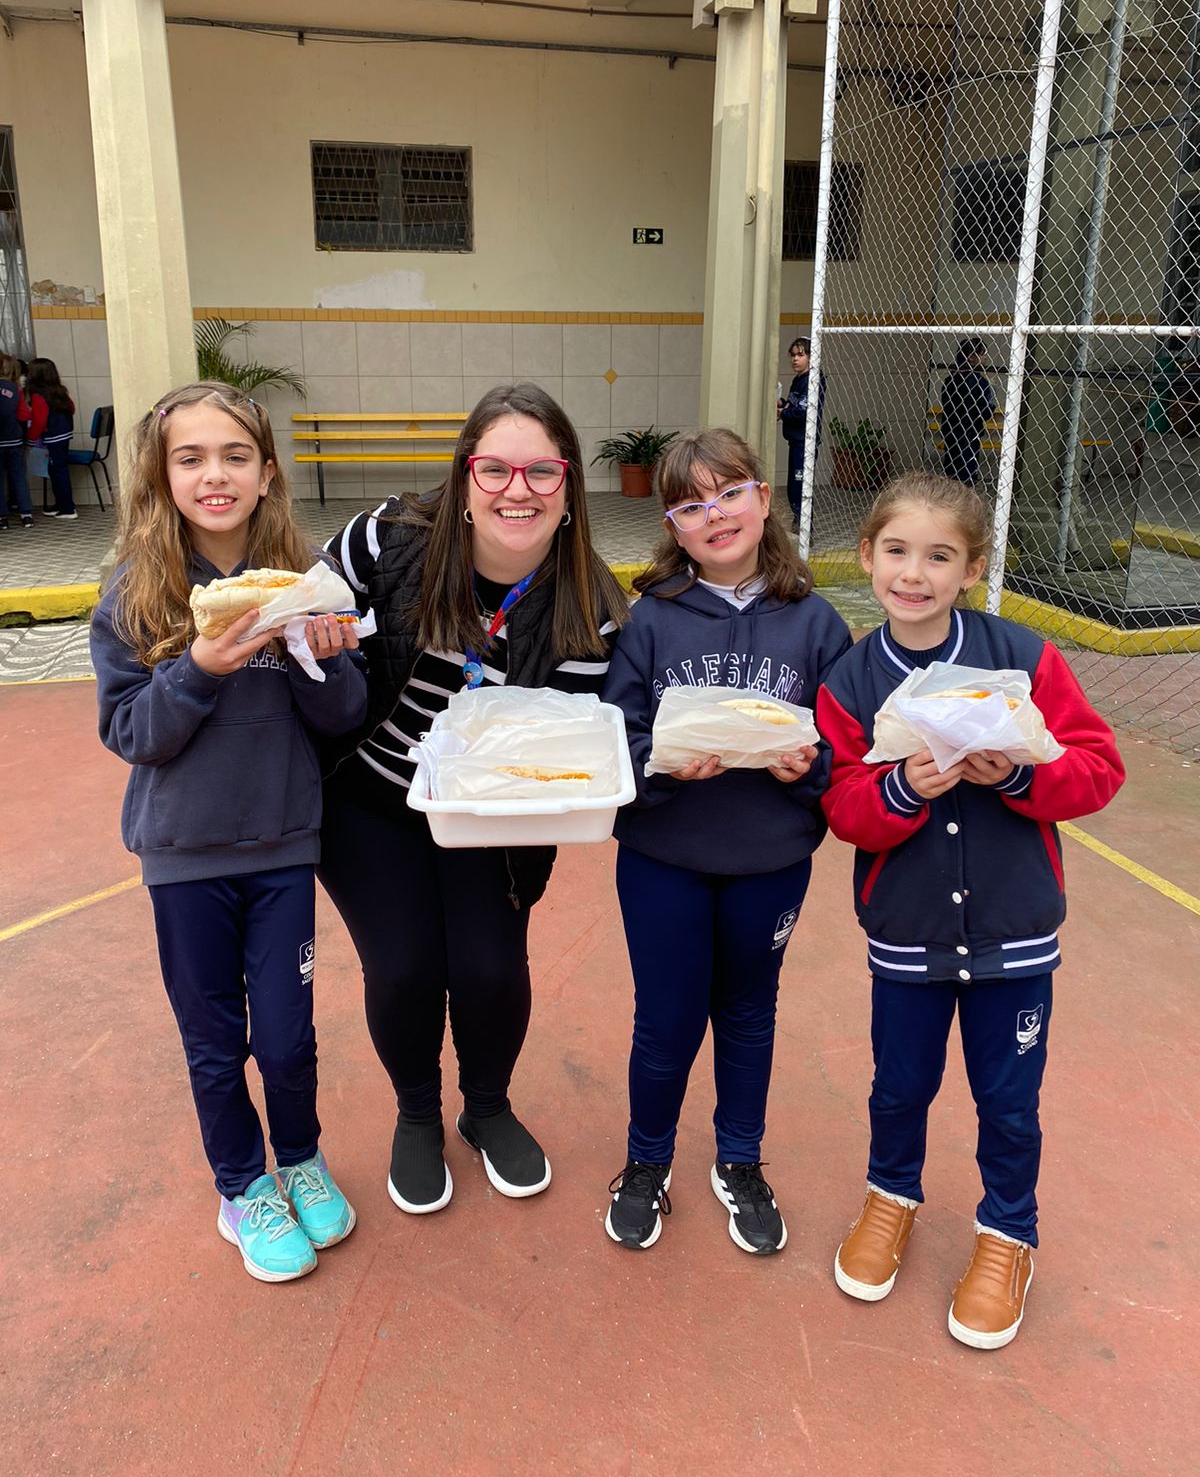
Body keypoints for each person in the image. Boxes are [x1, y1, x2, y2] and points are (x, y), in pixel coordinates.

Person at [815, 472, 1124, 1348]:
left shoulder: (1022, 658)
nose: (915, 574)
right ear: (869, 557)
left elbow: (1098, 769)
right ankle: (891, 1196)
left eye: (940, 557)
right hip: (907, 934)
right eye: (898, 552)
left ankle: (1007, 1233)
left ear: (972, 569)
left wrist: (1021, 774)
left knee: (1009, 1100)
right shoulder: (850, 678)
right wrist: (904, 788)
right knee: (899, 1086)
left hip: (1014, 933)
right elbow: (842, 808)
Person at [319, 382, 629, 1217]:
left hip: (496, 815)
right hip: (367, 800)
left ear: (568, 490)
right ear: (463, 479)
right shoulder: (383, 541)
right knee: (407, 964)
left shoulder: (591, 607)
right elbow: (299, 623)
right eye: (494, 469)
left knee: (490, 968)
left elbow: (564, 750)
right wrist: (311, 634)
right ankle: (417, 1114)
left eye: (541, 471)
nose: (516, 490)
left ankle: (486, 1107)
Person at [90, 381, 368, 1283]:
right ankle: (242, 1185)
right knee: (214, 1039)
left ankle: (300, 1157)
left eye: (235, 456)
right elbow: (132, 732)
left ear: (266, 473)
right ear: (161, 476)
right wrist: (201, 668)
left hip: (283, 846)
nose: (216, 475)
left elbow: (344, 717)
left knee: (287, 1036)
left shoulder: (301, 579)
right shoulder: (138, 592)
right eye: (191, 457)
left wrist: (323, 656)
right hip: (182, 860)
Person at [601, 428, 853, 1254]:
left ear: (763, 499)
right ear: (672, 526)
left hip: (769, 861)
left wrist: (804, 776)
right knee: (666, 1019)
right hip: (665, 856)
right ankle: (647, 1162)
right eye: (690, 505)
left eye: (730, 493)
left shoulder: (815, 624)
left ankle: (739, 1161)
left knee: (748, 1013)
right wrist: (667, 767)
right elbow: (617, 745)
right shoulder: (650, 621)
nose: (715, 516)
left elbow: (844, 756)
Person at [777, 336, 826, 529]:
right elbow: (794, 404)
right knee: (793, 486)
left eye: (801, 354)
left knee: (800, 486)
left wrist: (783, 412)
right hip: (795, 441)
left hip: (805, 442)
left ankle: (805, 527)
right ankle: (799, 521)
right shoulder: (799, 379)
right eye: (793, 355)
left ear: (811, 356)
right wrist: (782, 403)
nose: (795, 359)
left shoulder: (814, 380)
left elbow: (804, 411)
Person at [938, 337, 996, 488]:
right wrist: (991, 407)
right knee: (967, 473)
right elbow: (984, 411)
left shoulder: (951, 378)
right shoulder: (979, 381)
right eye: (982, 354)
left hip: (950, 428)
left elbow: (946, 402)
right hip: (970, 431)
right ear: (972, 356)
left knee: (951, 467)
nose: (985, 358)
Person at [24, 356, 77, 519]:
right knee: (55, 469)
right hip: (64, 434)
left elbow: (39, 420)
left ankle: (68, 508)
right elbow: (72, 408)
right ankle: (60, 504)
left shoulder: (38, 394)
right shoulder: (59, 390)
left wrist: (30, 439)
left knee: (58, 470)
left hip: (53, 437)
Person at [0, 351, 33, 529]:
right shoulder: (16, 389)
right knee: (19, 476)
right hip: (13, 440)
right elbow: (24, 414)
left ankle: (2, 519)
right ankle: (26, 514)